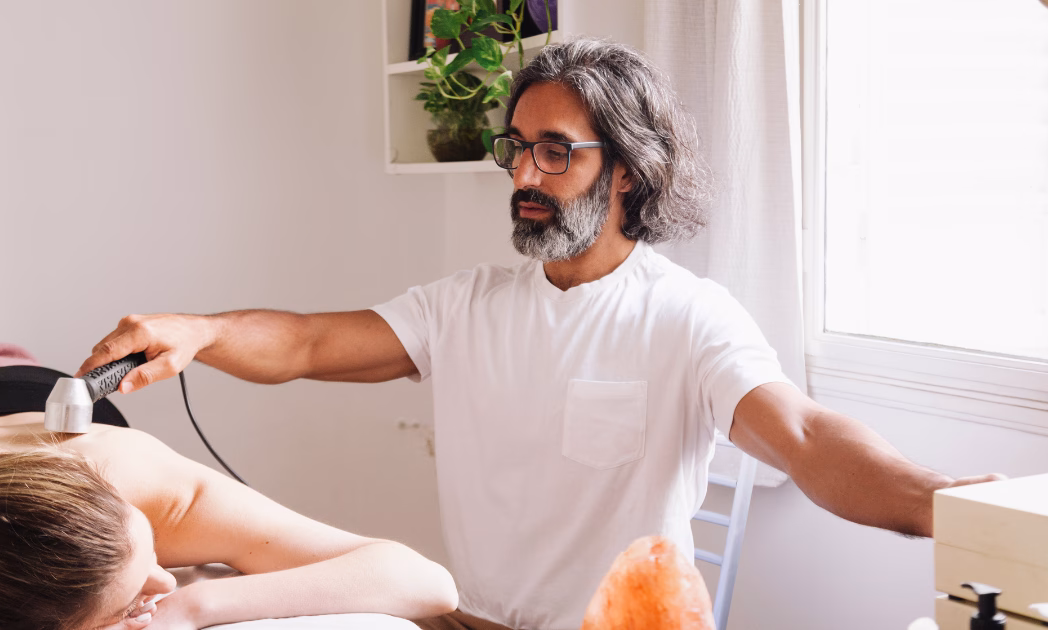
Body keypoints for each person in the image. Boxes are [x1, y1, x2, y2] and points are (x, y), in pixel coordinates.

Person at [78, 39, 1001, 630]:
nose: (525, 170)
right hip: (470, 623)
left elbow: (801, 437)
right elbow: (313, 343)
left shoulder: (688, 316)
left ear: (631, 173)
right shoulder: (468, 304)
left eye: (555, 150)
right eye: (517, 146)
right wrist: (198, 330)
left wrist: (940, 504)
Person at [0, 366, 458, 630]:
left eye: (155, 556)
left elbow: (427, 584)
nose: (168, 579)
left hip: (33, 397)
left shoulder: (144, 480)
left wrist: (192, 606)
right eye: (133, 594)